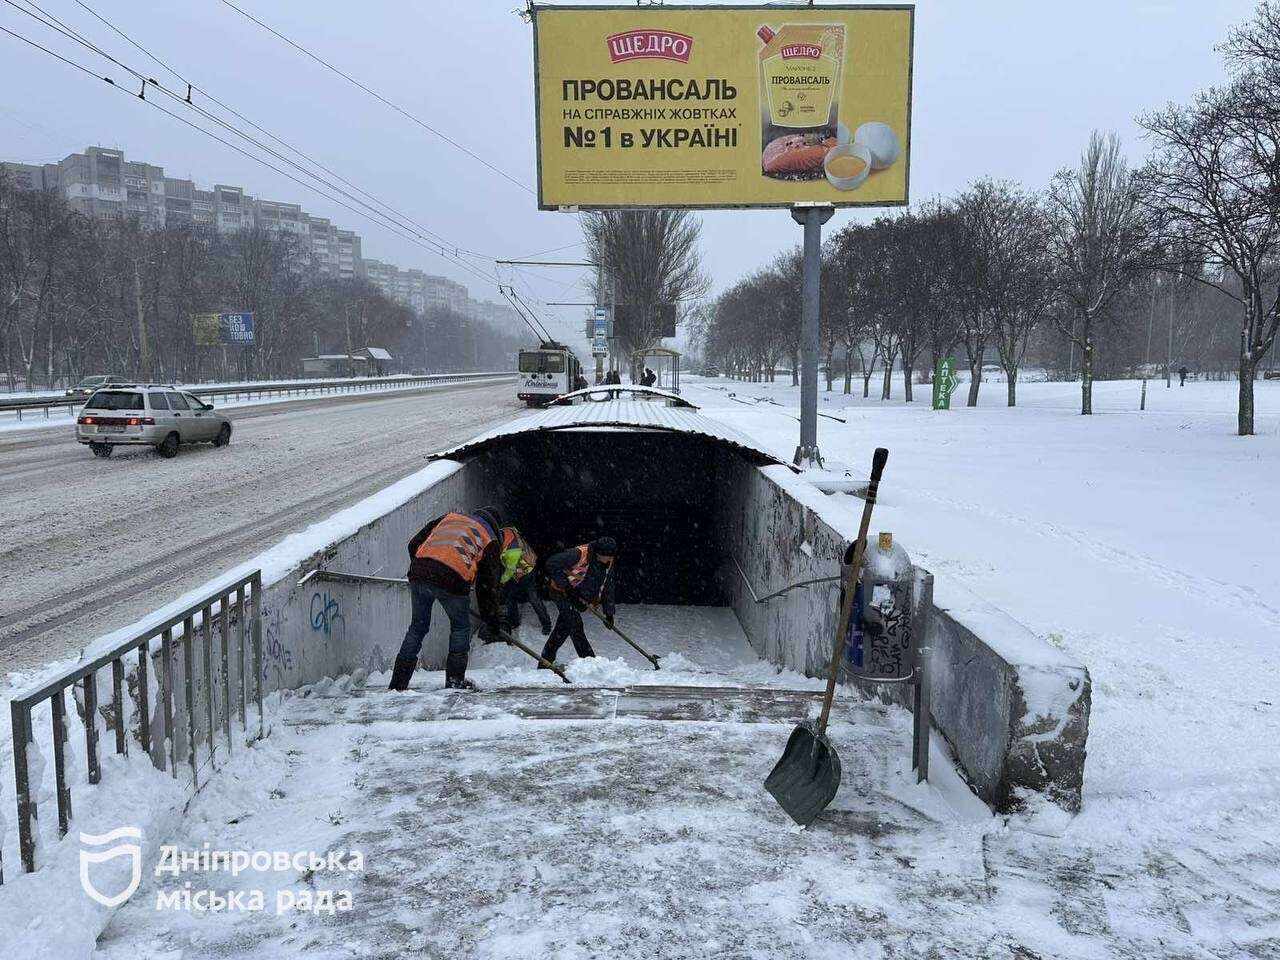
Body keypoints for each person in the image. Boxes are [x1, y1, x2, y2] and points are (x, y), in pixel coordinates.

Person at [389, 506, 504, 692]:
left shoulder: (450, 518)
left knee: (417, 627)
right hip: (453, 580)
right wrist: (491, 619)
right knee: (460, 627)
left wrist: (426, 570)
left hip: (420, 572)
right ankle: (455, 682)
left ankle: (398, 684)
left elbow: (413, 543)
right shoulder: (488, 538)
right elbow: (487, 586)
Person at [540, 537, 618, 665]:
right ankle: (591, 664)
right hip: (561, 592)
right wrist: (567, 587)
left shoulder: (608, 560)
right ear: (598, 553)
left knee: (563, 628)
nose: (609, 559)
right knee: (575, 626)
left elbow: (608, 585)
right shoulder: (579, 553)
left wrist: (609, 613)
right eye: (606, 556)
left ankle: (545, 660)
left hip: (577, 598)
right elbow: (552, 563)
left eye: (611, 556)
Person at [499, 525, 551, 636]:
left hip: (527, 571)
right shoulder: (505, 532)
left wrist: (501, 581)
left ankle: (546, 624)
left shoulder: (512, 550)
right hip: (517, 569)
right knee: (511, 597)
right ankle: (514, 622)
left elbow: (509, 570)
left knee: (533, 598)